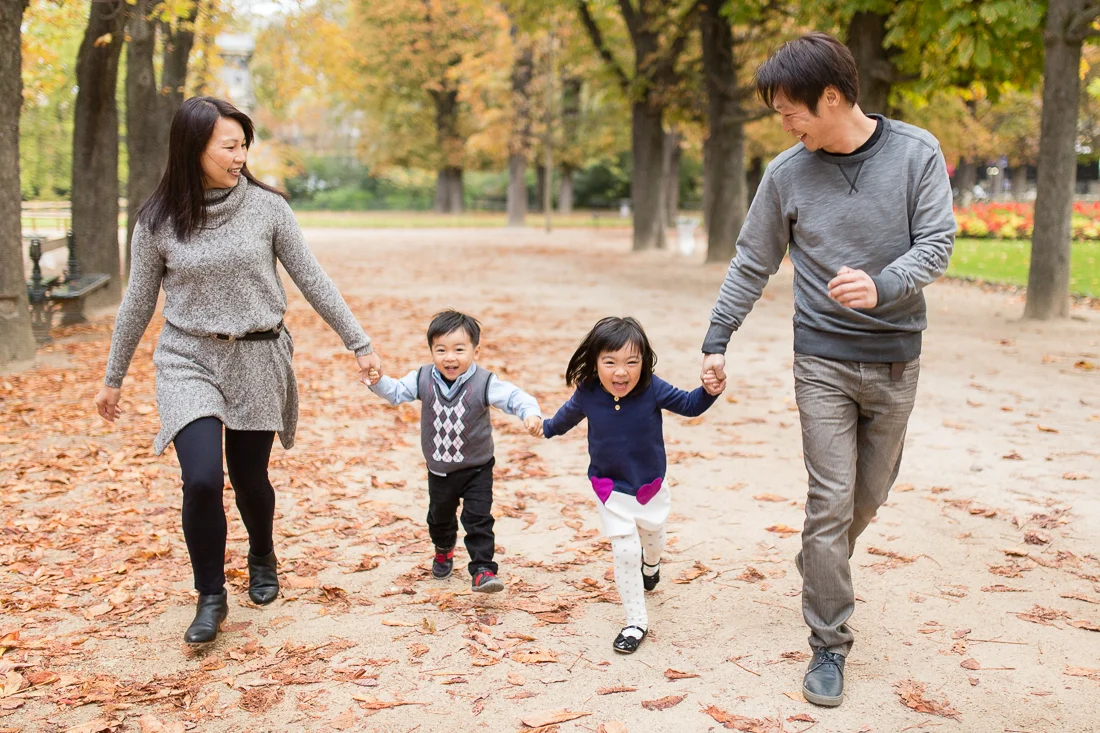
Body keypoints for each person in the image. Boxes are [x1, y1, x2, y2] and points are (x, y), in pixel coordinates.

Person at [699, 33, 955, 706]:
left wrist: (884, 283)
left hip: (898, 357)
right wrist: (717, 337)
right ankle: (829, 643)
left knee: (864, 501)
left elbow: (938, 240)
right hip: (822, 360)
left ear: (834, 97)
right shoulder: (786, 172)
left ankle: (821, 560)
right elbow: (751, 261)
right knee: (830, 500)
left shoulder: (915, 153)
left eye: (792, 111)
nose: (785, 124)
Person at [94, 96, 383, 645]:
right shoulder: (158, 220)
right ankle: (210, 596)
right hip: (188, 358)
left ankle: (263, 553)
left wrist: (358, 342)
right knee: (202, 478)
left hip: (257, 355)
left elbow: (312, 278)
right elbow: (137, 301)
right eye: (229, 145)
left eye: (243, 144)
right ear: (193, 149)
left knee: (250, 477)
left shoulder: (268, 208)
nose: (240, 155)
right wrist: (114, 376)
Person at [542, 317, 722, 654]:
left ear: (645, 362)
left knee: (652, 540)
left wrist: (708, 392)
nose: (620, 372)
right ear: (595, 363)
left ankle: (652, 566)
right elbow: (563, 419)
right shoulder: (588, 392)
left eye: (631, 362)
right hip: (609, 487)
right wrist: (545, 427)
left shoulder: (652, 388)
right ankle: (635, 622)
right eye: (610, 362)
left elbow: (689, 404)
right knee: (625, 551)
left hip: (649, 485)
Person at [367, 310, 542, 593]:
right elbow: (396, 391)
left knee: (478, 519)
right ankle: (443, 548)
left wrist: (529, 414)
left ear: (476, 349)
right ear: (431, 351)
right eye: (441, 350)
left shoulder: (484, 382)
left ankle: (483, 569)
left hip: (477, 468)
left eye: (459, 349)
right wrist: (377, 381)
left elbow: (513, 397)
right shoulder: (423, 378)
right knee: (440, 518)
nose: (450, 357)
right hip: (440, 470)